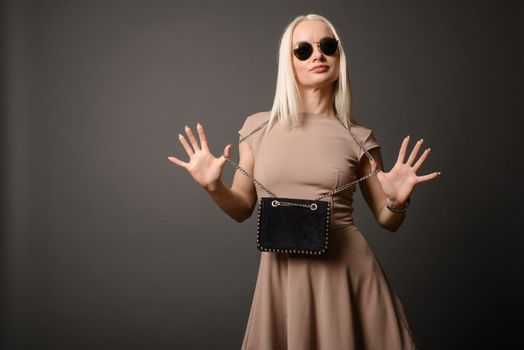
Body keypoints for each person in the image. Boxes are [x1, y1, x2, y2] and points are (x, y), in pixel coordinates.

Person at [168, 13, 440, 350]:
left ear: (339, 56)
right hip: (280, 278)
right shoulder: (256, 128)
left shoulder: (359, 137)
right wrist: (213, 186)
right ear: (288, 62)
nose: (318, 56)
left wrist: (398, 201)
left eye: (328, 46)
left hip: (345, 277)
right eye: (303, 50)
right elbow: (241, 208)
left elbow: (388, 221)